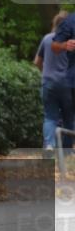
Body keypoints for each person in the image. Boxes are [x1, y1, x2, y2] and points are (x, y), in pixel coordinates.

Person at [50, 10, 75, 150]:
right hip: (73, 78)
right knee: (69, 118)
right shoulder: (70, 21)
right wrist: (65, 45)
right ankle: (67, 153)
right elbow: (55, 45)